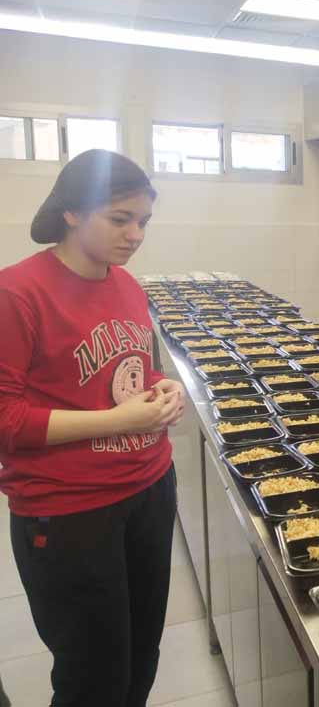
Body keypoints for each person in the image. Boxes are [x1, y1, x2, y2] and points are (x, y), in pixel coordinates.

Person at [0, 149, 184, 707]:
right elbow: (6, 419)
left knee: (140, 659)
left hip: (150, 488)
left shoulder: (126, 285)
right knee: (92, 680)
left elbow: (135, 368)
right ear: (72, 211)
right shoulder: (17, 293)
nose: (135, 235)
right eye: (120, 219)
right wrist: (114, 421)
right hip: (70, 511)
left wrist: (163, 388)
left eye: (143, 222)